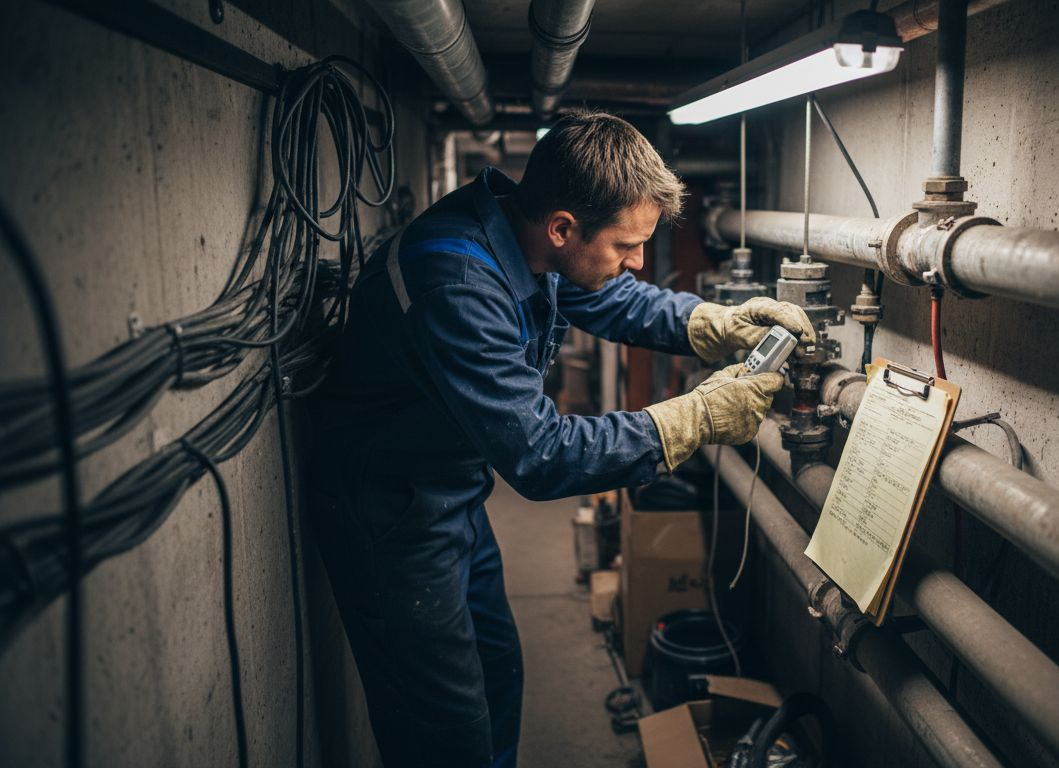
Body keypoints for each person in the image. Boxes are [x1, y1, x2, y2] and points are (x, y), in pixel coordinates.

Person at [309, 110, 813, 768]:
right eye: (625, 247)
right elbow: (538, 452)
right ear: (564, 227)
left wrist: (715, 323)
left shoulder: (524, 236)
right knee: (444, 726)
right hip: (387, 511)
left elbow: (612, 298)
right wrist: (696, 417)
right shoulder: (456, 284)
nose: (635, 262)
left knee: (496, 678)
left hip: (446, 489)